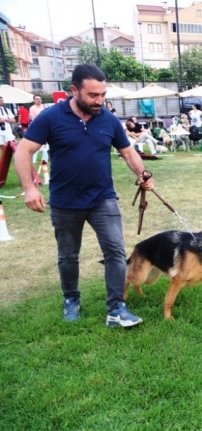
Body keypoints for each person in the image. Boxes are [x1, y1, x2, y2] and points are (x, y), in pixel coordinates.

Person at [14, 64, 155, 328]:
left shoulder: (108, 119)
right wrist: (30, 188)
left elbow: (127, 151)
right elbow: (23, 151)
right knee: (68, 255)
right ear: (74, 90)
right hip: (65, 202)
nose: (99, 101)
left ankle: (116, 308)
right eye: (93, 95)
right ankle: (71, 298)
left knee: (115, 251)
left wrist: (142, 173)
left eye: (103, 95)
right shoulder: (51, 117)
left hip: (103, 198)